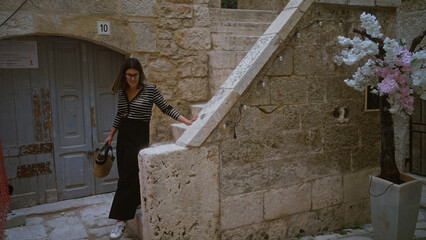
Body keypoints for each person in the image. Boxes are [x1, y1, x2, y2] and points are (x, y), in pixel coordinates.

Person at [104, 57, 197, 239]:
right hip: (123, 137)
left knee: (127, 177)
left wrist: (186, 121)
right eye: (129, 75)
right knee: (125, 174)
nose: (132, 79)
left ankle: (120, 221)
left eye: (135, 75)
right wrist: (111, 135)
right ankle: (135, 202)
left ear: (140, 74)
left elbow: (166, 107)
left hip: (139, 137)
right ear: (124, 76)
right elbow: (120, 115)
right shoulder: (122, 92)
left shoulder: (150, 90)